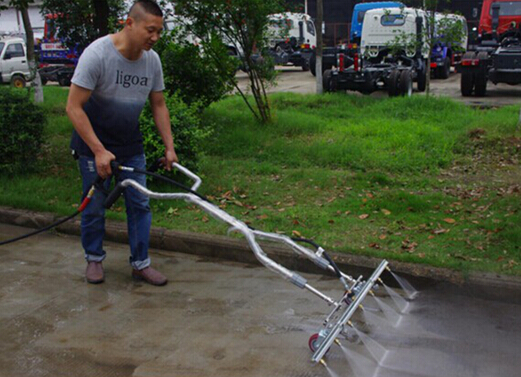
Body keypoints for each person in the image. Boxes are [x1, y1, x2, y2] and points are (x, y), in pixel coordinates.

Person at [66, 0, 177, 286]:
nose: (155, 37)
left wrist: (169, 146)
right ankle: (94, 259)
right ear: (129, 23)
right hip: (94, 145)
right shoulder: (98, 55)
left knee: (140, 204)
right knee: (94, 205)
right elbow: (73, 107)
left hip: (130, 145)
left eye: (159, 32)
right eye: (150, 30)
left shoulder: (151, 60)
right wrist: (99, 151)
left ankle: (141, 263)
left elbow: (159, 104)